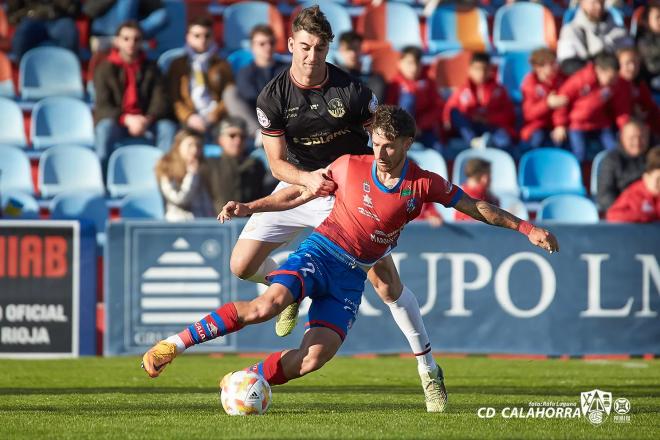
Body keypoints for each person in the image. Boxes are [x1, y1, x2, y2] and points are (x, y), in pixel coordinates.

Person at [141, 105, 560, 413]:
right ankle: (172, 345)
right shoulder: (348, 165)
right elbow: (298, 194)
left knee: (314, 357)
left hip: (351, 276)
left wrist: (528, 229)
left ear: (407, 145)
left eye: (390, 146)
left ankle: (248, 379)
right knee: (266, 306)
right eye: (376, 143)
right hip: (320, 251)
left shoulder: (423, 184)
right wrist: (250, 207)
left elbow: (476, 207)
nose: (380, 153)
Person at [228, 6, 446, 412]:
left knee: (387, 287)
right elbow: (275, 163)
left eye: (321, 48)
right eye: (305, 47)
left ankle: (429, 371)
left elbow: (385, 136)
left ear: (329, 48)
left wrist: (394, 180)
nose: (312, 56)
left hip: (348, 193)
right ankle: (290, 289)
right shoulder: (271, 97)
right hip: (298, 183)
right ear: (291, 44)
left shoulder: (354, 92)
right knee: (240, 266)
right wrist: (306, 179)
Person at [93, 21, 177, 165]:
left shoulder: (152, 68)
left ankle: (164, 176)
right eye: (126, 38)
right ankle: (103, 177)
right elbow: (103, 105)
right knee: (104, 128)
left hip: (146, 121)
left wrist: (147, 119)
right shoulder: (104, 69)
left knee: (167, 128)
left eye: (136, 39)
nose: (131, 43)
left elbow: (161, 100)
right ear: (117, 41)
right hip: (118, 122)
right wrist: (126, 119)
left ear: (141, 42)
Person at [552, 52, 632, 161]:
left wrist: (625, 127)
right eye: (610, 77)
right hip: (577, 124)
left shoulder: (615, 84)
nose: (613, 81)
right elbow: (562, 100)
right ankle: (580, 176)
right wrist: (560, 124)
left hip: (600, 123)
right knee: (579, 153)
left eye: (615, 78)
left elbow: (621, 108)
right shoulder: (580, 79)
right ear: (599, 70)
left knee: (614, 149)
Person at [168, 16, 234, 137]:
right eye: (197, 36)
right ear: (188, 37)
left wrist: (214, 115)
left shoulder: (222, 64)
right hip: (189, 117)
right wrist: (189, 117)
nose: (202, 40)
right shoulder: (178, 65)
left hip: (215, 117)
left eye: (207, 35)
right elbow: (174, 97)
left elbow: (229, 95)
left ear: (212, 37)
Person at [443, 52, 516, 150]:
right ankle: (474, 141)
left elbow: (509, 114)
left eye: (485, 69)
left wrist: (487, 119)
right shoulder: (462, 90)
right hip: (470, 127)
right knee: (455, 112)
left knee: (504, 140)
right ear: (470, 70)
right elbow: (450, 110)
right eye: (477, 69)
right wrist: (471, 116)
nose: (481, 73)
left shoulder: (499, 90)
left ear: (490, 70)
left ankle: (490, 144)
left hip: (491, 126)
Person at [202, 117, 266, 211]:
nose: (238, 140)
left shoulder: (256, 165)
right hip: (217, 222)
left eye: (242, 136)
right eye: (232, 135)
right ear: (220, 139)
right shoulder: (209, 165)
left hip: (249, 222)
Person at [386, 46, 444, 151]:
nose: (414, 68)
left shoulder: (428, 82)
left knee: (439, 150)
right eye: (409, 63)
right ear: (400, 63)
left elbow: (438, 107)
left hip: (424, 129)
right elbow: (389, 109)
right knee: (408, 98)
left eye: (417, 63)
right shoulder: (395, 83)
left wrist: (420, 126)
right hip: (400, 131)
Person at [557, 0, 632, 75]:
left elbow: (631, 58)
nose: (598, 7)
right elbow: (567, 65)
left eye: (601, 2)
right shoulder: (571, 30)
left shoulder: (619, 30)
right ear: (582, 3)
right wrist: (598, 72)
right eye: (594, 3)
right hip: (587, 81)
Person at [155, 128, 214, 221]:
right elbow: (178, 200)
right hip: (178, 224)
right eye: (190, 145)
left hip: (203, 224)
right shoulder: (166, 167)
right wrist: (192, 175)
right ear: (178, 146)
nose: (194, 150)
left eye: (198, 146)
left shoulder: (204, 167)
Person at [598, 120, 650, 211]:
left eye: (642, 137)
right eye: (632, 138)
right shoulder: (610, 160)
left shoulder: (654, 158)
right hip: (622, 214)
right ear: (622, 138)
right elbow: (605, 195)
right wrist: (624, 210)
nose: (637, 142)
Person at [521, 48, 568, 149]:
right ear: (538, 67)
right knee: (537, 139)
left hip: (557, 124)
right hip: (537, 125)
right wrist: (547, 104)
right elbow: (529, 114)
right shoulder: (530, 84)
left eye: (555, 63)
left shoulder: (562, 79)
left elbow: (563, 104)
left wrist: (560, 125)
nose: (556, 66)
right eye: (551, 64)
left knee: (564, 140)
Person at [236, 25, 288, 112]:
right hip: (255, 120)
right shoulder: (244, 73)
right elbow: (252, 102)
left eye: (271, 43)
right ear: (252, 47)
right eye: (262, 44)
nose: (268, 47)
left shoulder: (287, 70)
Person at [8, 0, 80, 60]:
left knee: (68, 31)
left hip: (59, 18)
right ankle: (21, 69)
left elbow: (74, 9)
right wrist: (29, 13)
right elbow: (13, 13)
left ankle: (69, 69)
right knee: (23, 34)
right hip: (31, 18)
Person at [606, 146, 660, 222]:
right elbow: (613, 214)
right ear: (646, 177)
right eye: (658, 179)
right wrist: (645, 216)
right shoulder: (633, 194)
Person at [617, 48, 660, 138]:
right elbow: (620, 116)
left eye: (636, 63)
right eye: (628, 63)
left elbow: (651, 106)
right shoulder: (615, 86)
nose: (632, 67)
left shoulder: (639, 83)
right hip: (626, 131)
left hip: (644, 126)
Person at [335, 31, 386, 103]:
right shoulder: (332, 76)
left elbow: (376, 107)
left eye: (356, 48)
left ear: (361, 50)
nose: (353, 53)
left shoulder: (375, 80)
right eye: (348, 49)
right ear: (341, 50)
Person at [84, 0, 168, 40]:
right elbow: (89, 10)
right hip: (105, 26)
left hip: (137, 23)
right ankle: (128, 37)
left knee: (162, 15)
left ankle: (131, 36)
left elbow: (157, 7)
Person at [636, 0, 660, 93]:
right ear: (647, 19)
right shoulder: (642, 38)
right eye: (657, 17)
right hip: (651, 80)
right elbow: (650, 65)